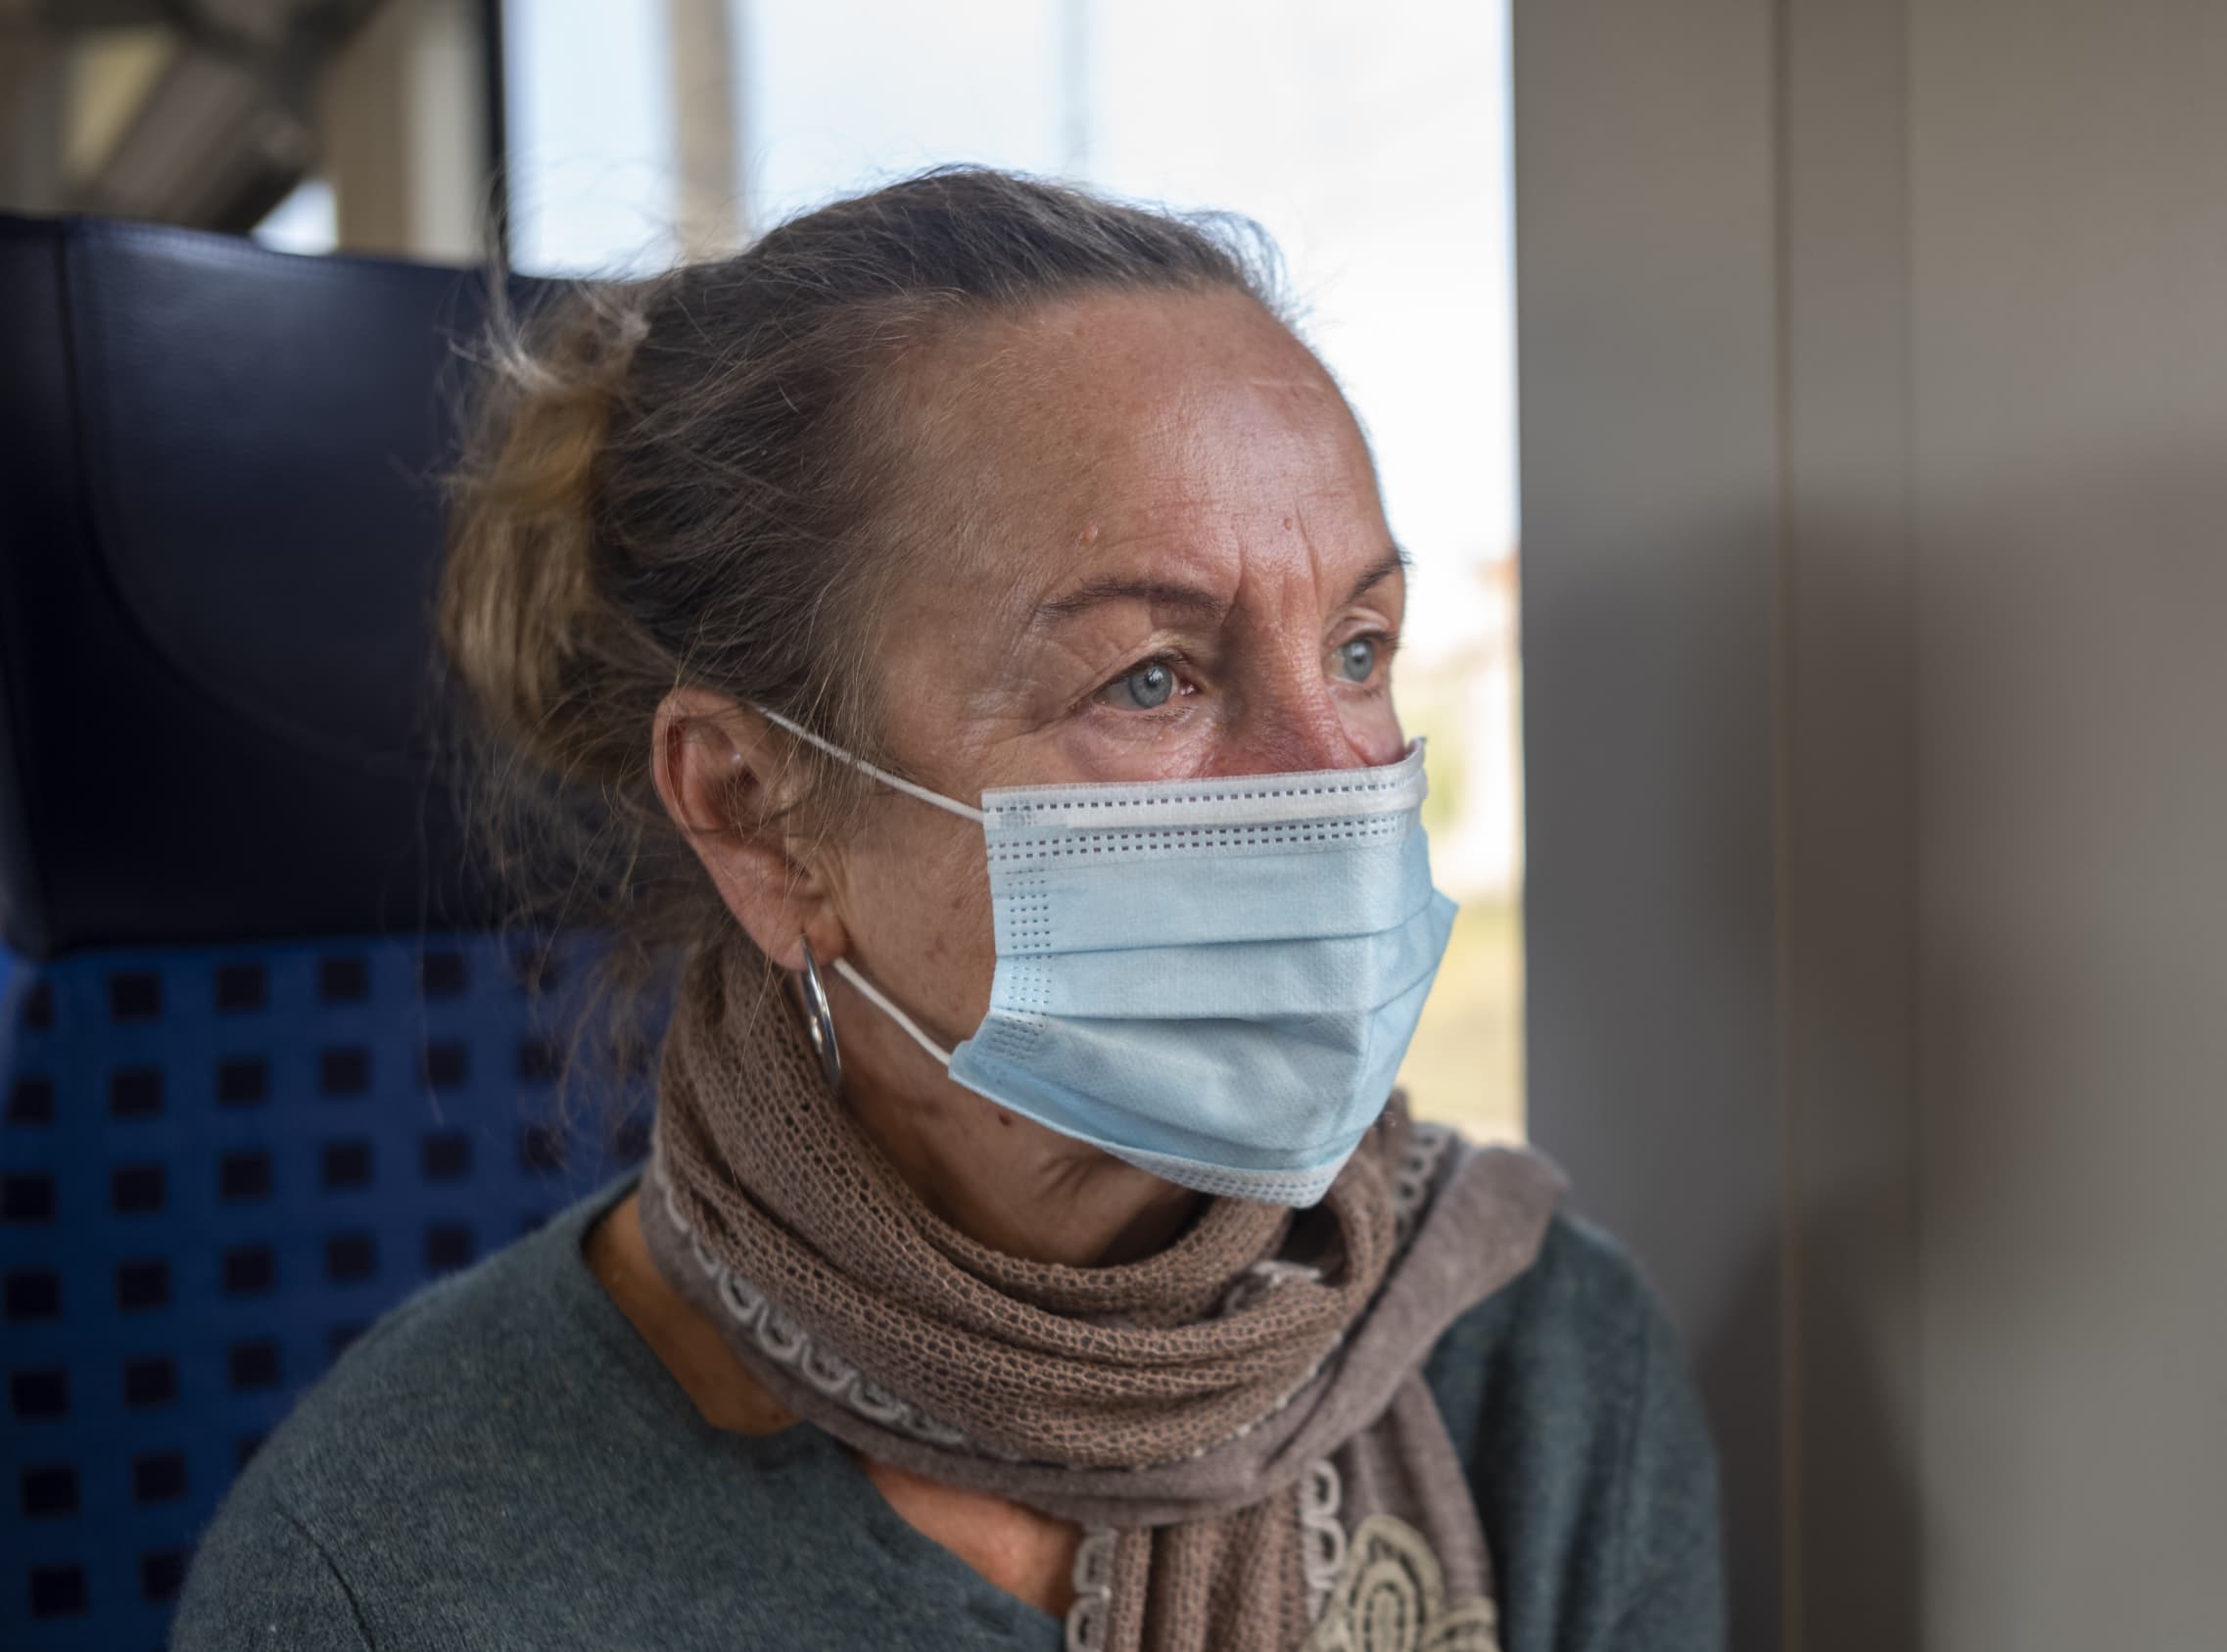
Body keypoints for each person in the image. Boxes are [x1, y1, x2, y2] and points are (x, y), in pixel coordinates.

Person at [167, 168, 1720, 1651]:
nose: (1340, 785)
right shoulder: (395, 1567)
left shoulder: (1540, 1369)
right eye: (1154, 678)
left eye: (1361, 651)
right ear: (759, 814)